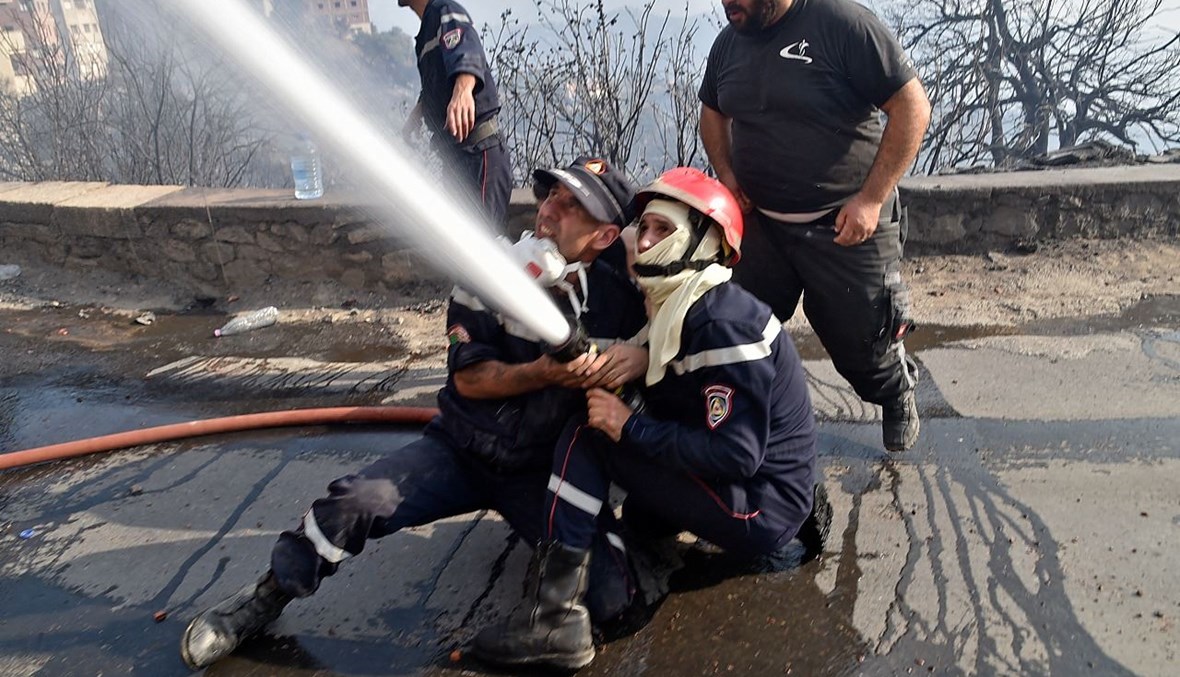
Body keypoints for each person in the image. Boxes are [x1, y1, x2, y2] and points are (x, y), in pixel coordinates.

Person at [179, 157, 648, 670]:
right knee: (359, 500)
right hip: (464, 449)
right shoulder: (492, 273)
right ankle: (266, 596)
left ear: (604, 236)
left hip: (545, 474)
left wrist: (639, 353)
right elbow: (467, 377)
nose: (548, 211)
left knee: (612, 600)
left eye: (571, 205)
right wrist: (544, 373)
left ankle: (545, 544)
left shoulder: (624, 299)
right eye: (549, 195)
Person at [471, 168, 830, 672]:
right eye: (646, 228)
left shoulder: (723, 328)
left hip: (758, 506)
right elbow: (681, 373)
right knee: (639, 499)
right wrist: (637, 359)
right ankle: (656, 521)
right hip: (777, 486)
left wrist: (627, 426)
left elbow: (737, 454)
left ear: (701, 244)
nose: (645, 240)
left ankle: (556, 621)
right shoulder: (689, 302)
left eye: (664, 230)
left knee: (590, 431)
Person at [699, 0, 932, 451]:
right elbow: (712, 112)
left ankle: (894, 388)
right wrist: (727, 177)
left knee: (862, 345)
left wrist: (870, 200)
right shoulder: (730, 42)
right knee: (736, 327)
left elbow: (912, 107)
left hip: (847, 222)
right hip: (763, 223)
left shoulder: (841, 23)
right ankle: (747, 422)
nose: (728, 4)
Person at [399, 0, 512, 231]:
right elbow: (436, 84)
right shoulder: (425, 34)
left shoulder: (445, 11)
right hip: (455, 158)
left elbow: (467, 53)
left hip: (479, 153)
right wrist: (418, 113)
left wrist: (464, 90)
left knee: (485, 242)